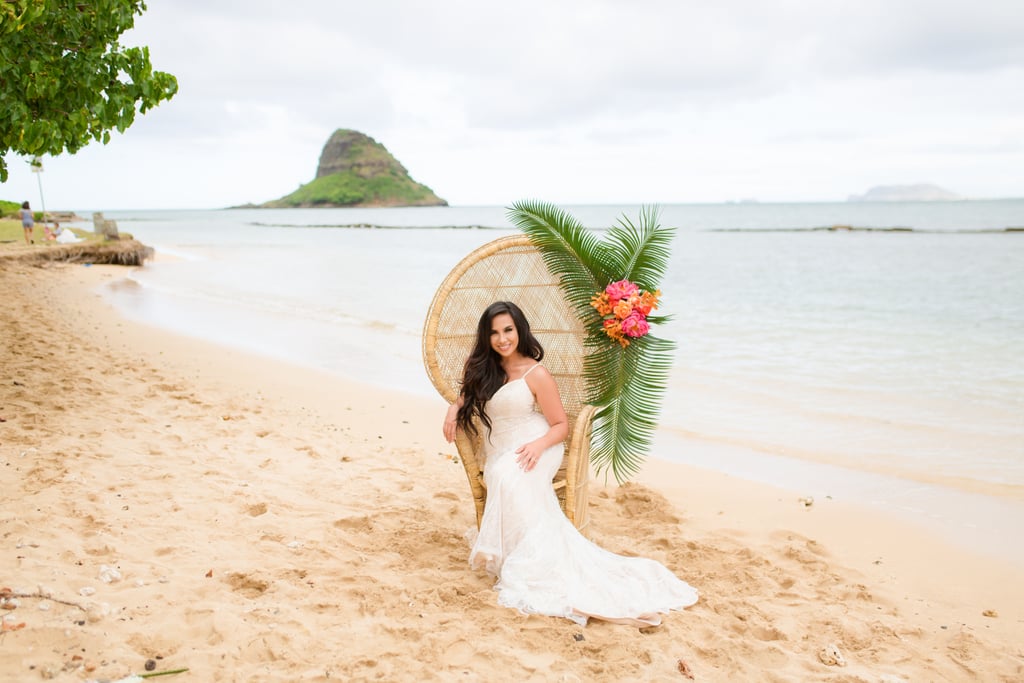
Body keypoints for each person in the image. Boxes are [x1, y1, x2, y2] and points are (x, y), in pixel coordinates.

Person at [443, 301, 698, 626]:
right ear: (486, 336)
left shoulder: (537, 373)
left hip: (541, 444)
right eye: (494, 333)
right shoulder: (481, 367)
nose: (502, 339)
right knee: (504, 476)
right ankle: (524, 554)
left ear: (520, 330)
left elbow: (560, 426)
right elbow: (465, 394)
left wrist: (537, 445)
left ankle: (534, 561)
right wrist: (454, 408)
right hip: (500, 453)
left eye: (508, 330)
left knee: (511, 476)